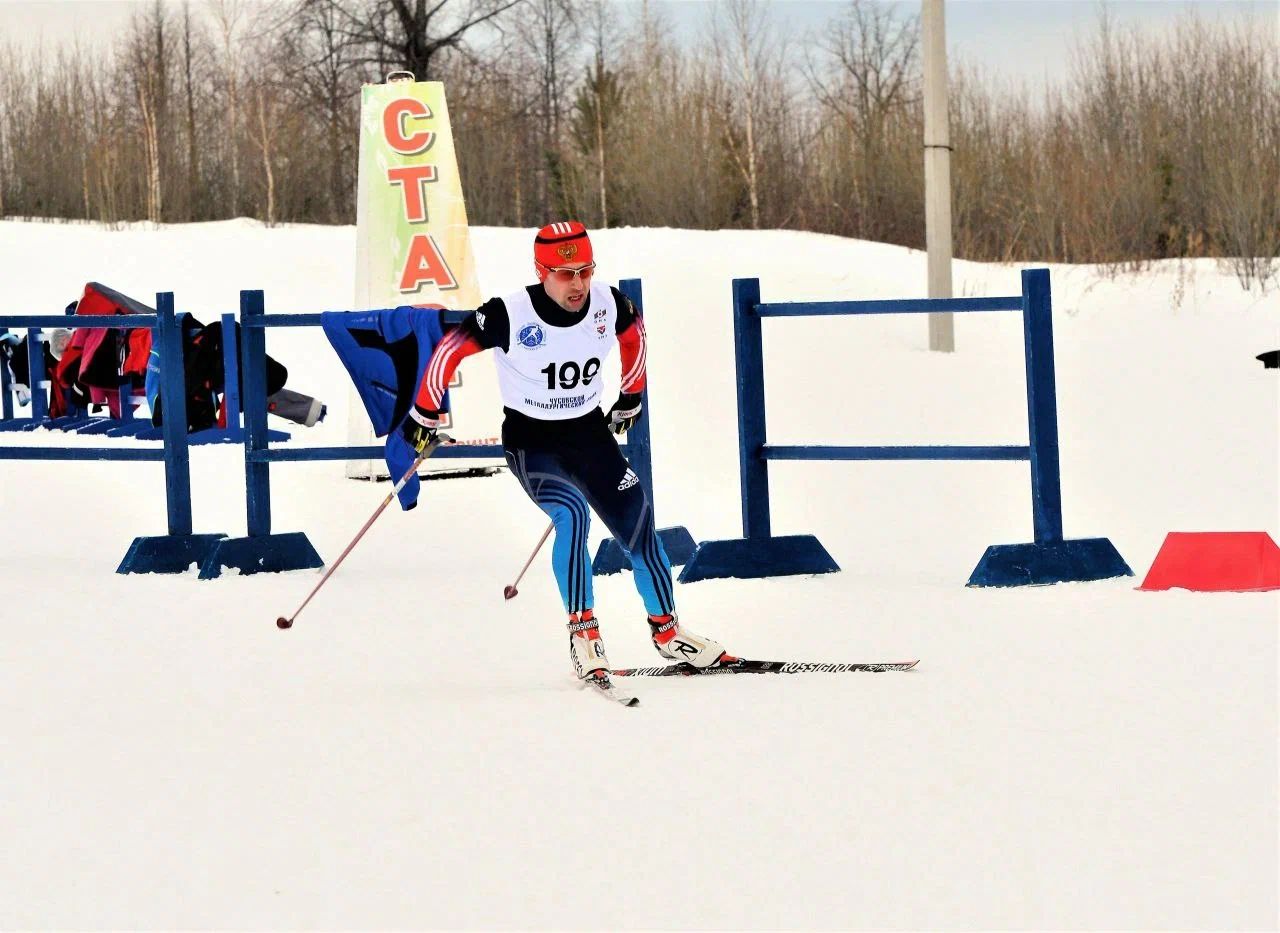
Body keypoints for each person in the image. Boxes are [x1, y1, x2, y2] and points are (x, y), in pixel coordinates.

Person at [401, 221, 727, 685]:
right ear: (541, 272)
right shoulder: (509, 313)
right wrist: (423, 413)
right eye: (564, 273)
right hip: (532, 442)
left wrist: (631, 394)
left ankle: (669, 632)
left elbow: (634, 335)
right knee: (572, 514)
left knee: (638, 524)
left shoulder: (609, 303)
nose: (577, 284)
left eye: (585, 270)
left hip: (589, 434)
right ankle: (584, 635)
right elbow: (447, 351)